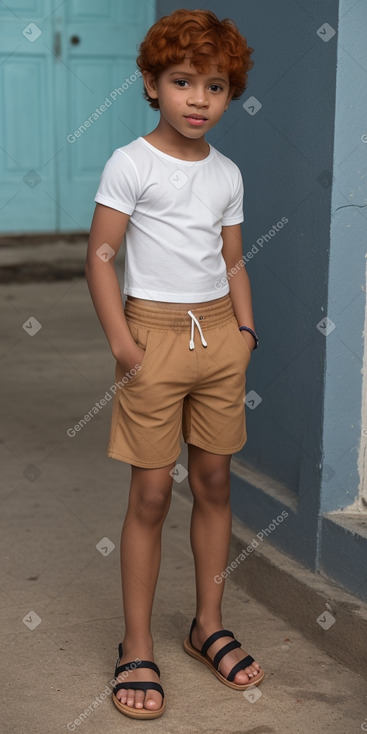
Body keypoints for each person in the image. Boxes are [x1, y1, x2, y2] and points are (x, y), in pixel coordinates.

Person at [85, 7, 264, 720]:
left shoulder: (226, 173)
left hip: (218, 338)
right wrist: (125, 345)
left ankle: (206, 625)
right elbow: (101, 256)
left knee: (214, 480)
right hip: (151, 339)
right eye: (182, 81)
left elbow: (231, 260)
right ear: (152, 84)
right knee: (152, 494)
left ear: (229, 94)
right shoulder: (130, 163)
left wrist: (244, 330)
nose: (198, 99)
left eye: (215, 86)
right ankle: (136, 643)